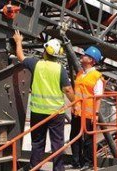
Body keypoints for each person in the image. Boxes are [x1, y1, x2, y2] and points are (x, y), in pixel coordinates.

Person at [13, 30, 75, 171]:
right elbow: (68, 90)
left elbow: (20, 57)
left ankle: (35, 167)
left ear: (45, 51)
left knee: (37, 142)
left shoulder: (36, 64)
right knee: (57, 143)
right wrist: (75, 102)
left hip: (38, 111)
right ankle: (58, 169)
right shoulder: (60, 69)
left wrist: (18, 41)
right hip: (55, 113)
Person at [69, 46, 104, 169]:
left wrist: (96, 113)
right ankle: (76, 161)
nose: (82, 56)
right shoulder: (80, 74)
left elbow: (98, 97)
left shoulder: (96, 76)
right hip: (77, 112)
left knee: (88, 139)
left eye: (85, 55)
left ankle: (89, 163)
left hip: (89, 113)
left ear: (91, 60)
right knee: (74, 137)